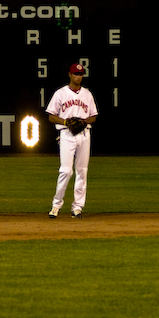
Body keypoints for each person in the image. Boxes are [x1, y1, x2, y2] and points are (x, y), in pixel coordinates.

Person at [46, 63, 98, 218]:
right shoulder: (60, 93)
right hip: (66, 135)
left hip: (84, 135)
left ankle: (77, 208)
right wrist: (65, 122)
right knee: (66, 171)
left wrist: (83, 122)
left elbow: (93, 117)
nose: (78, 77)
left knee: (82, 171)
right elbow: (51, 116)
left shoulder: (87, 94)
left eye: (81, 74)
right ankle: (56, 205)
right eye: (76, 74)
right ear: (70, 74)